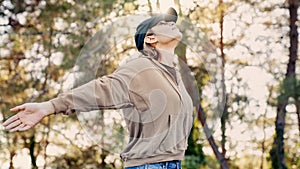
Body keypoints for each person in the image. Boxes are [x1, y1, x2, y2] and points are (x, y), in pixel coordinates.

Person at [3, 7, 194, 169]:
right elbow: (101, 89)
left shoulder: (174, 75)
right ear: (150, 39)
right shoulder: (141, 68)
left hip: (172, 163)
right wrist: (50, 106)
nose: (171, 23)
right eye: (163, 23)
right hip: (149, 165)